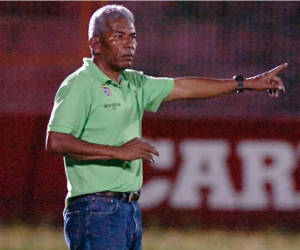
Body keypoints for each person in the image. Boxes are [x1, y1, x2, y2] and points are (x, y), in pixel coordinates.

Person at [46, 4, 287, 250]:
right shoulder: (80, 84)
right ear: (96, 44)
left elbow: (184, 87)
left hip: (127, 210)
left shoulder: (133, 83)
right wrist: (118, 152)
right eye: (118, 36)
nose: (129, 43)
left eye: (133, 36)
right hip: (95, 210)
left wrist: (244, 83)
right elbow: (56, 140)